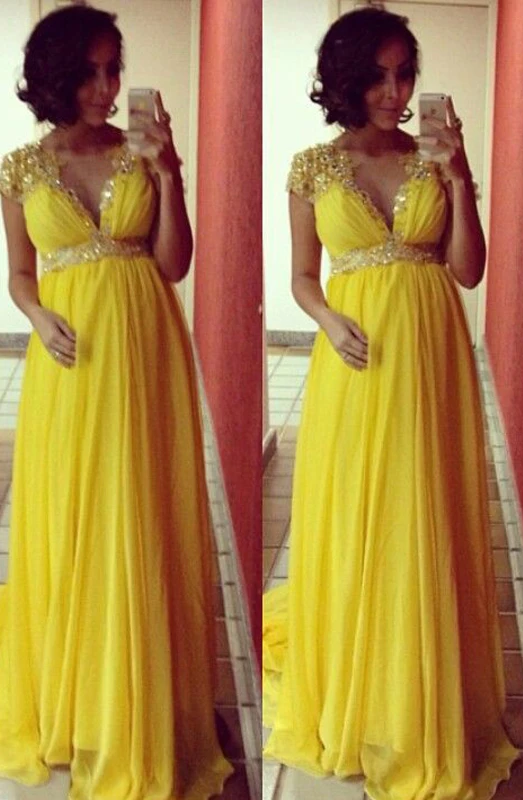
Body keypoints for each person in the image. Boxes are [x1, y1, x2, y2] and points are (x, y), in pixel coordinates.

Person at [262, 7, 519, 799]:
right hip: (356, 356)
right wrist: (327, 319)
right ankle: (362, 685)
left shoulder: (433, 160)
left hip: (431, 351)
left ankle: (423, 689)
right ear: (346, 80)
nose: (394, 92)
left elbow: (469, 269)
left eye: (405, 74)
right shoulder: (312, 167)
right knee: (357, 512)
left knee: (423, 507)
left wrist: (461, 175)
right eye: (377, 76)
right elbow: (303, 276)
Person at [0, 6, 232, 797]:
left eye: (113, 69)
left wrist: (168, 175)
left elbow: (173, 264)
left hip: (144, 347)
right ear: (56, 77)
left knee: (140, 507)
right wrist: (36, 317)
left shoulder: (141, 154)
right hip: (69, 358)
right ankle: (78, 700)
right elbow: (20, 273)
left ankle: (143, 697)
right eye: (89, 72)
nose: (106, 87)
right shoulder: (19, 169)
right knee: (75, 514)